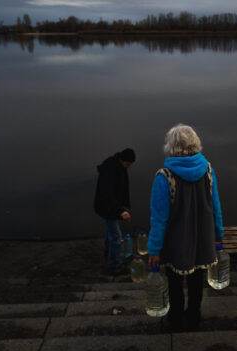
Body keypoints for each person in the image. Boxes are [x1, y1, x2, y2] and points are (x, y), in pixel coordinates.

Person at [147, 124, 224, 332]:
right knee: (197, 279)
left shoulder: (164, 176)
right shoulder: (208, 169)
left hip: (176, 241)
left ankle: (176, 317)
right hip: (202, 238)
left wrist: (154, 249)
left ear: (171, 146)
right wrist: (218, 235)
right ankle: (194, 316)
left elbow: (158, 218)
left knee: (174, 281)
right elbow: (215, 206)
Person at [94, 148, 136, 275]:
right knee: (116, 237)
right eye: (127, 165)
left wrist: (122, 207)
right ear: (122, 160)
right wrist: (121, 211)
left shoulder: (116, 165)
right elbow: (109, 194)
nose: (128, 167)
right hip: (107, 208)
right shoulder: (111, 171)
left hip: (106, 206)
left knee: (110, 233)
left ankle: (109, 255)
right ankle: (113, 265)